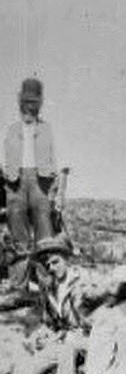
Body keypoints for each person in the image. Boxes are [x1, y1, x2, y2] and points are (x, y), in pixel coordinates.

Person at [0, 236, 106, 374]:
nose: (51, 267)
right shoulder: (50, 288)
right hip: (66, 339)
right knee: (30, 361)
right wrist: (42, 335)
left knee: (69, 347)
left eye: (55, 261)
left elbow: (103, 310)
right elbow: (51, 323)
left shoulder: (85, 280)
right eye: (47, 264)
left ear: (67, 259)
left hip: (93, 339)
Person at [2, 78, 58, 289]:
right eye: (26, 101)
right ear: (20, 101)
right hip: (14, 183)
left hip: (41, 183)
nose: (29, 106)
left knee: (45, 237)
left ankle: (47, 287)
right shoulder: (10, 129)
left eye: (34, 102)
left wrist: (54, 190)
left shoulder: (47, 129)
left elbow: (55, 161)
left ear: (40, 103)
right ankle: (19, 287)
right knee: (18, 237)